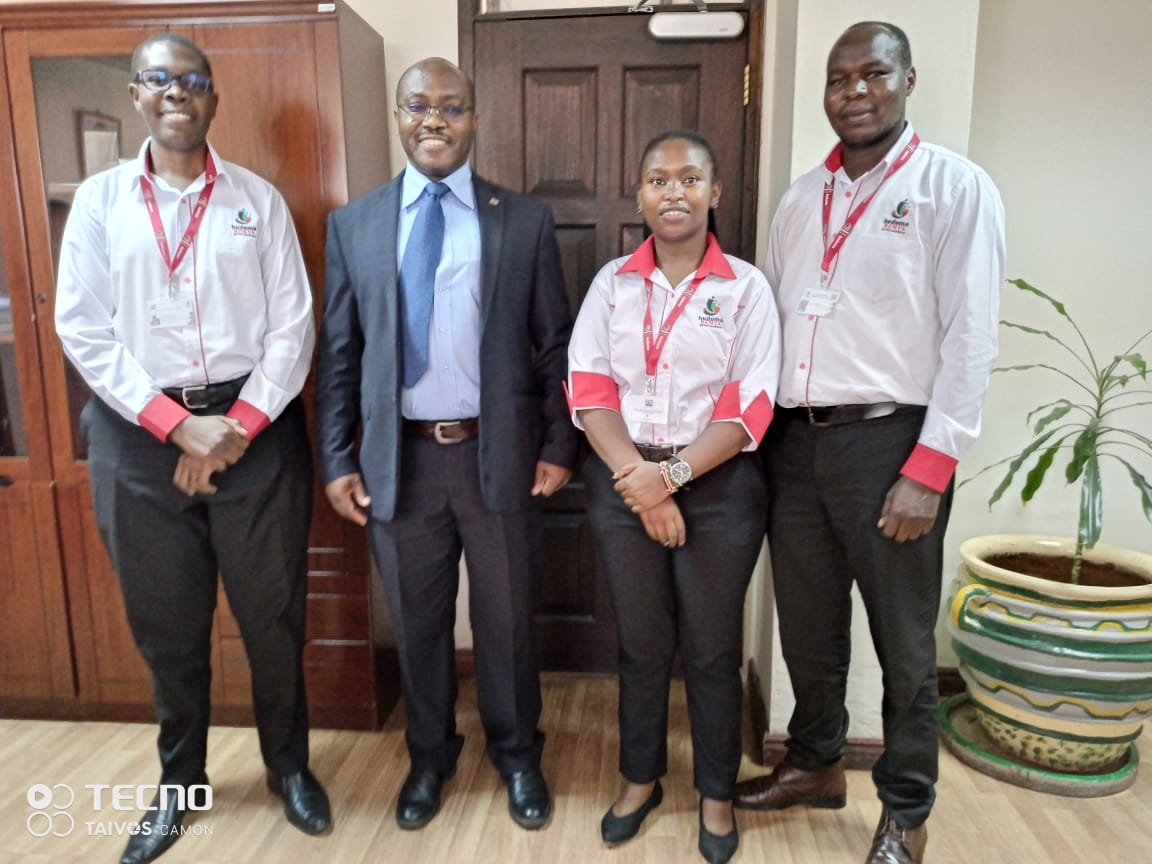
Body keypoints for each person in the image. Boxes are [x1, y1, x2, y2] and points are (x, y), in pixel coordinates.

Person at [731, 21, 1005, 864]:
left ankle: (908, 809)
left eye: (873, 74)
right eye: (839, 77)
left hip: (893, 446)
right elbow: (771, 328)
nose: (854, 90)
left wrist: (931, 467)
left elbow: (971, 340)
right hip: (797, 445)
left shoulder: (953, 189)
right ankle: (814, 764)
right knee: (808, 629)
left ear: (908, 80)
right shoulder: (795, 199)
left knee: (904, 644)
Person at [54, 33, 331, 864]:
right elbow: (83, 329)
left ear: (214, 98)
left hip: (257, 436)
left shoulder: (259, 200)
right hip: (140, 444)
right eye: (160, 81)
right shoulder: (100, 204)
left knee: (273, 620)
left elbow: (293, 326)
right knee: (168, 629)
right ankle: (181, 787)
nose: (178, 95)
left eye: (194, 82)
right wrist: (177, 427)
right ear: (138, 95)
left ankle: (290, 770)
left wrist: (235, 427)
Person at [315, 57, 577, 833]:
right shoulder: (354, 224)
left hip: (498, 459)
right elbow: (339, 355)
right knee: (419, 625)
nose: (434, 119)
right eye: (418, 106)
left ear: (474, 117)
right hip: (400, 463)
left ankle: (518, 754)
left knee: (505, 623)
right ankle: (429, 758)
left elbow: (554, 346)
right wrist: (336, 459)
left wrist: (561, 445)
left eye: (451, 107)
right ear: (399, 117)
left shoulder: (521, 219)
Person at [568, 130, 781, 864]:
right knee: (643, 643)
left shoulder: (745, 289)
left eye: (690, 179)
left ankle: (716, 793)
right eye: (658, 180)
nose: (674, 192)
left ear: (715, 193)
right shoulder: (610, 286)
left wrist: (674, 478)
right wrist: (642, 481)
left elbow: (750, 405)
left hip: (719, 492)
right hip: (625, 483)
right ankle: (640, 779)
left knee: (714, 650)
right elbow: (589, 388)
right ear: (640, 197)